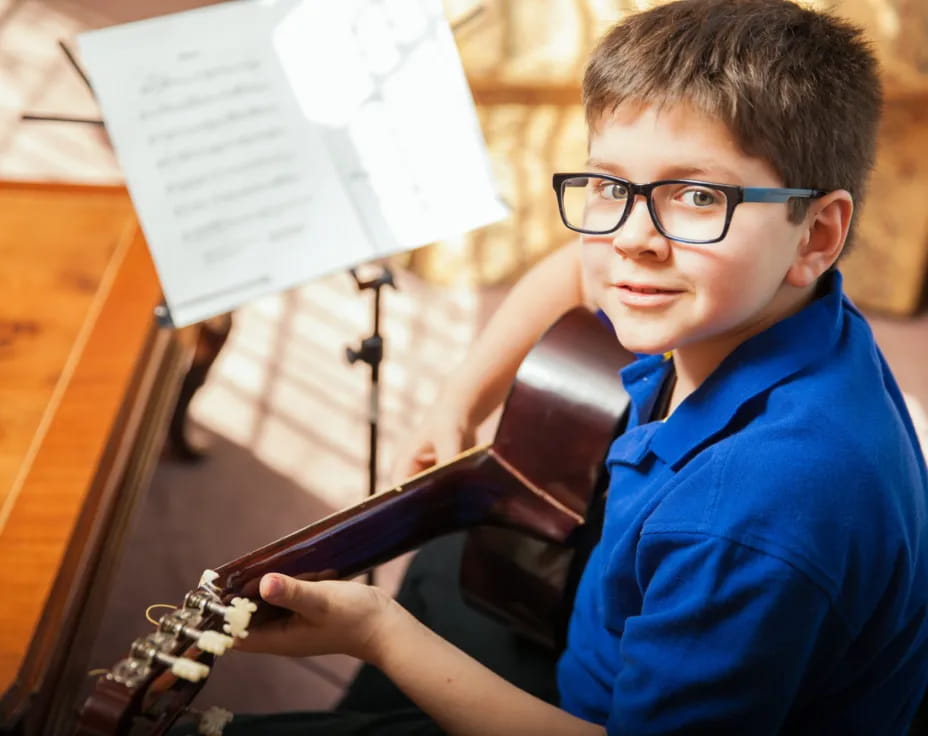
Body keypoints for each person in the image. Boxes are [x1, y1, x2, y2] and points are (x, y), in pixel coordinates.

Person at [176, 0, 928, 733]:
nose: (633, 238)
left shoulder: (752, 517)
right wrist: (460, 399)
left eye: (698, 195)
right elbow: (581, 267)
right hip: (608, 623)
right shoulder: (777, 306)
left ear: (816, 235)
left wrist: (378, 633)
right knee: (454, 561)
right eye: (609, 186)